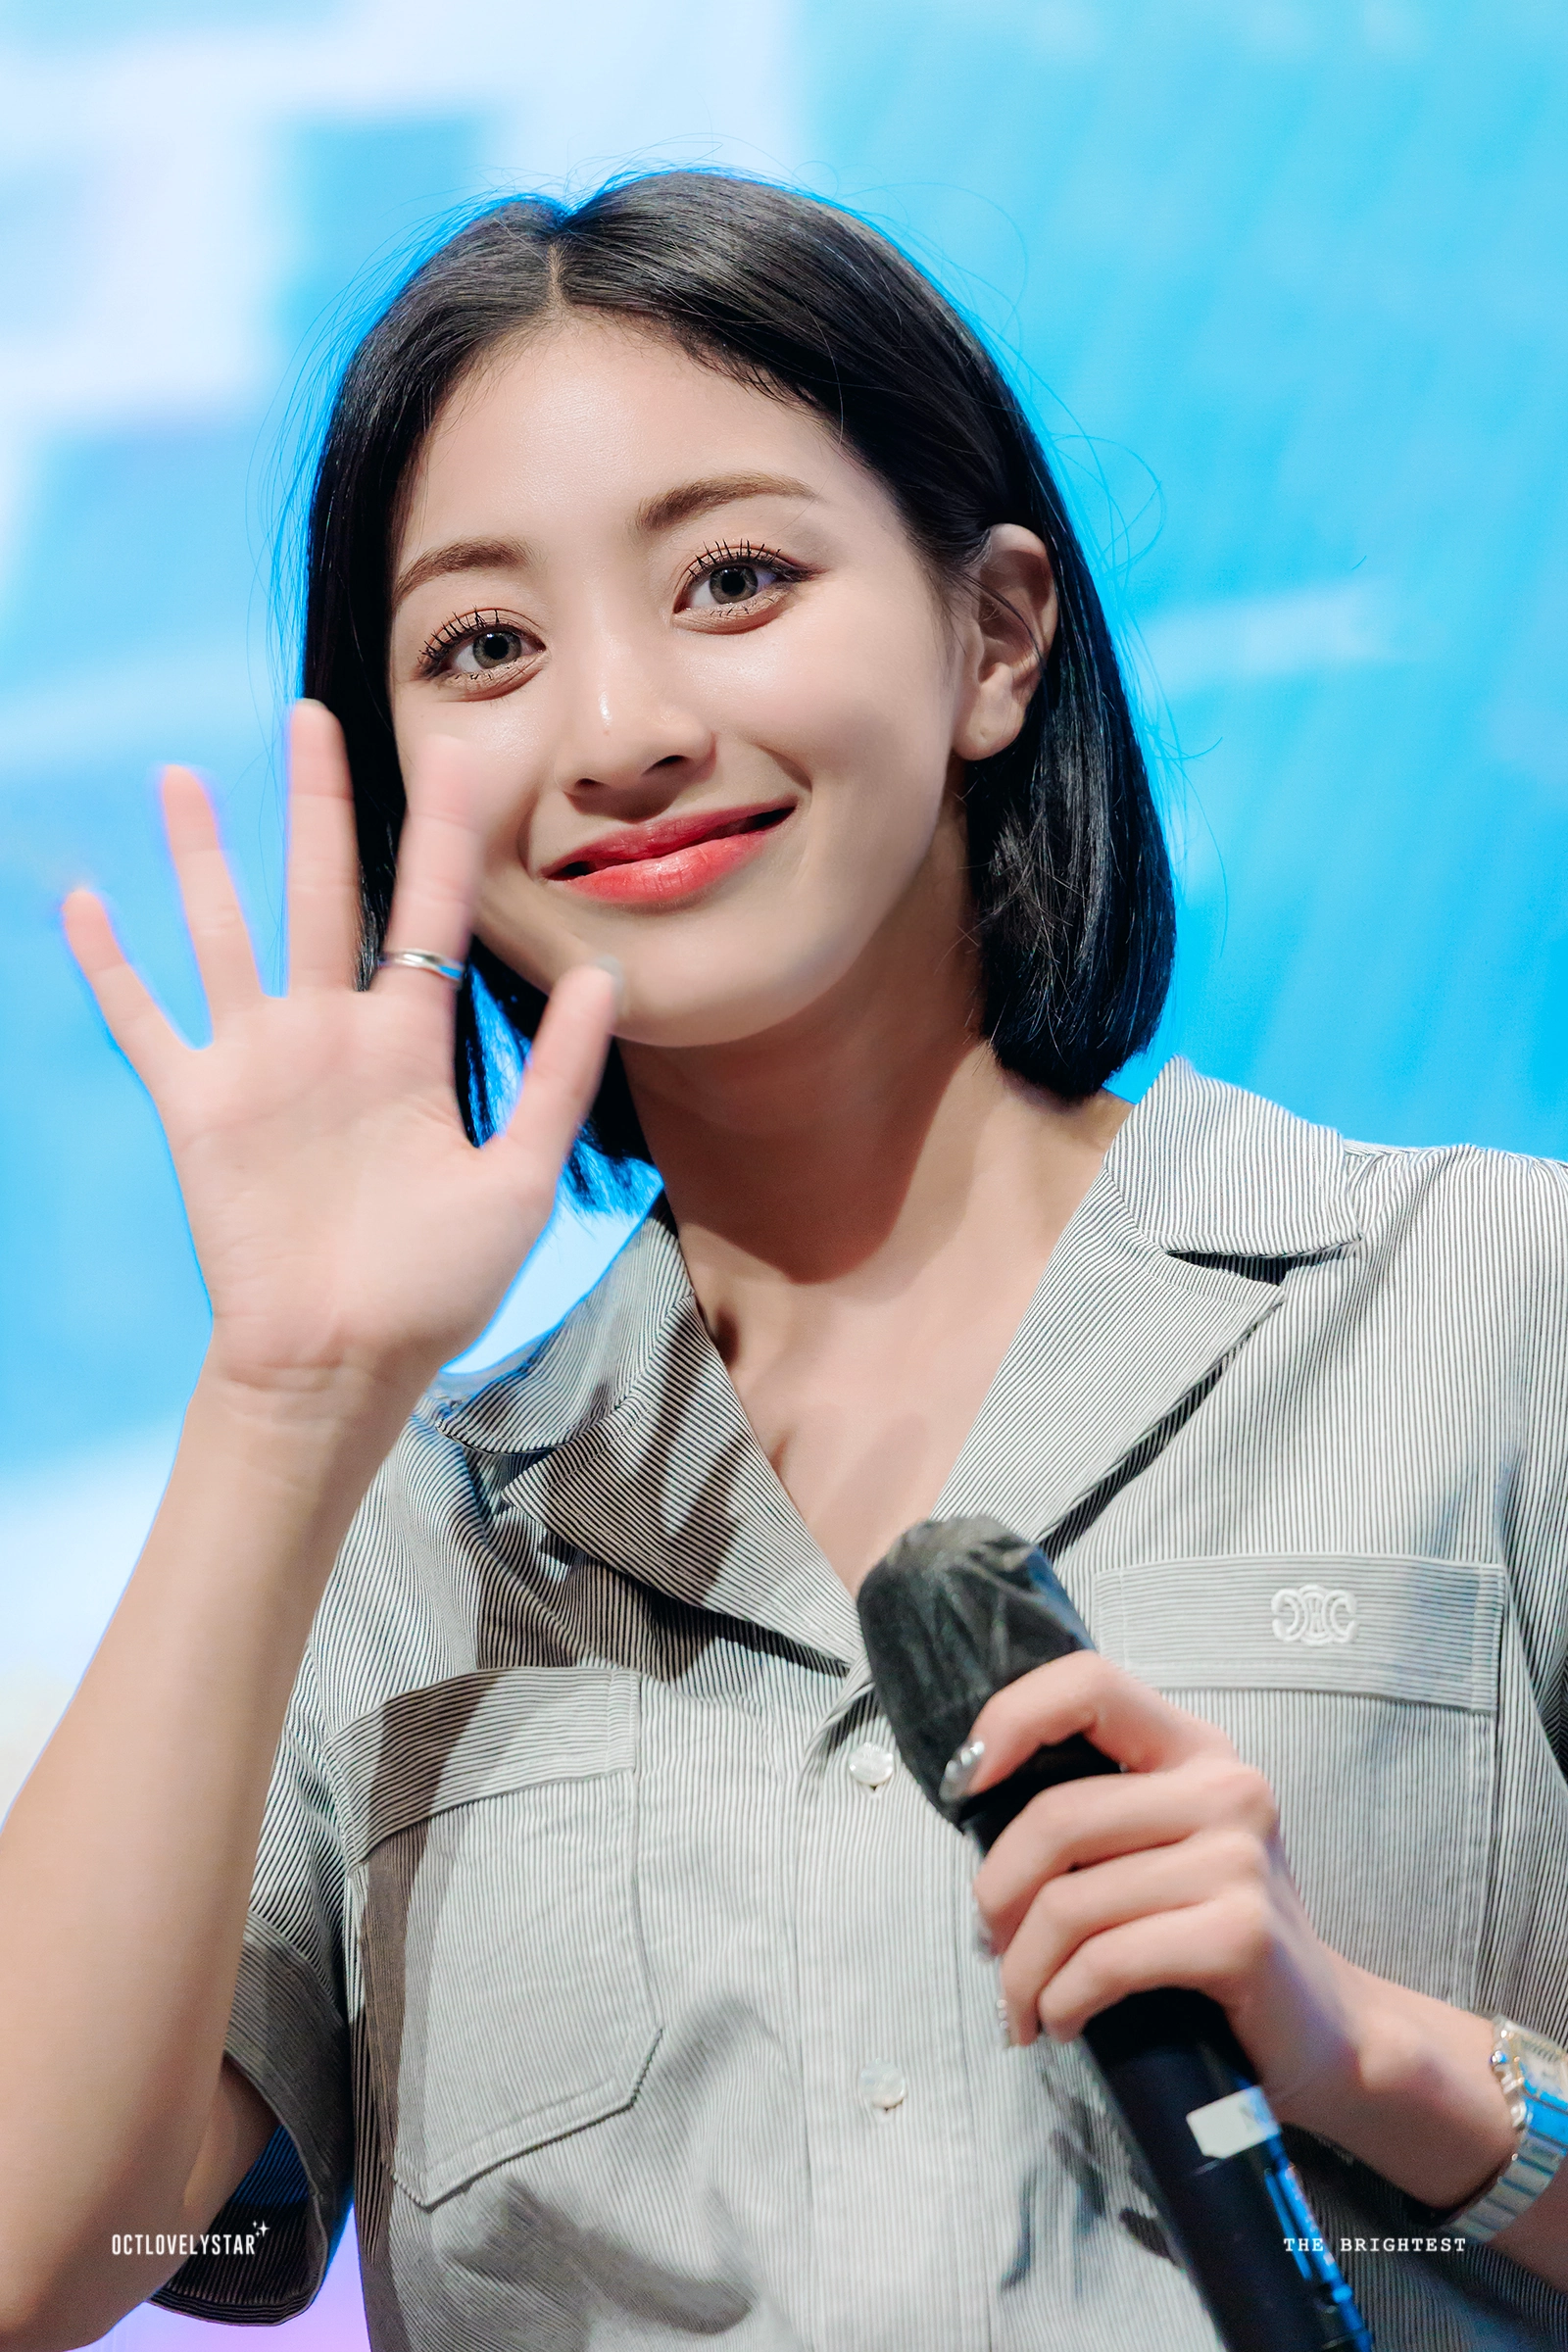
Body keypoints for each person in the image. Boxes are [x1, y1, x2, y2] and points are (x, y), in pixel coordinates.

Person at [0, 171, 1564, 2352]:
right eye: (484, 647)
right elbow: (55, 2252)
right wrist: (284, 1396)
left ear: (992, 637)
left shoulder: (1493, 1308)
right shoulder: (393, 1545)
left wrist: (1382, 2061)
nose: (620, 727)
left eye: (732, 578)